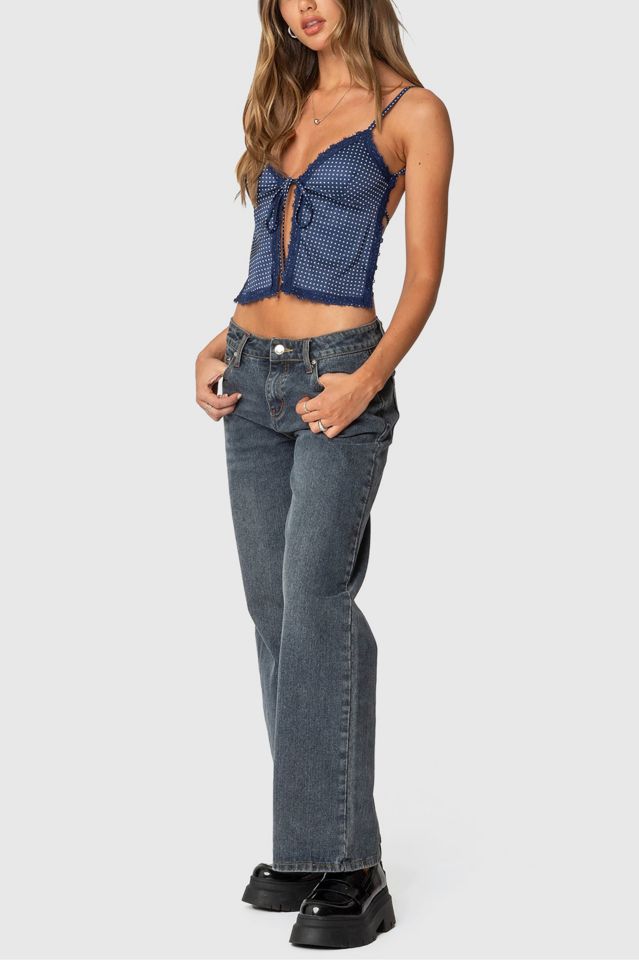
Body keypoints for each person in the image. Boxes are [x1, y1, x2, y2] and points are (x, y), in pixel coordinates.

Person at [195, 0, 453, 949]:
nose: (304, 6)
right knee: (274, 610)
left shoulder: (412, 113)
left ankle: (353, 866)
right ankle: (310, 846)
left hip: (341, 376)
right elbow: (273, 260)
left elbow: (421, 276)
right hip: (251, 376)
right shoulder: (283, 100)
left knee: (315, 599)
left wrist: (366, 382)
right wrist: (217, 342)